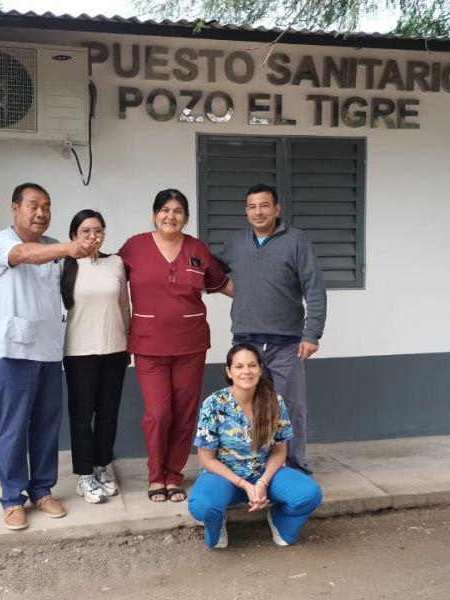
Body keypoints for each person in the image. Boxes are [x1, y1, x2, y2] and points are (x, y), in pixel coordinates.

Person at [0, 182, 95, 531]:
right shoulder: (0, 241)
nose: (41, 213)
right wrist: (68, 248)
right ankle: (12, 499)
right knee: (13, 428)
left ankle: (42, 490)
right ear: (15, 208)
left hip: (49, 350)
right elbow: (22, 255)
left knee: (47, 426)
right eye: (33, 205)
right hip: (15, 351)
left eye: (46, 206)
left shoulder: (53, 247)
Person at [117, 189, 228, 503]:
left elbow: (221, 283)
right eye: (164, 210)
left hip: (190, 345)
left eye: (178, 211)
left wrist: (265, 293)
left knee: (184, 413)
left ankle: (173, 475)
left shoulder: (197, 249)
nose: (171, 216)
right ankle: (156, 475)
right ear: (155, 215)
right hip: (149, 345)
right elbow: (105, 276)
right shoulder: (134, 247)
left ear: (186, 218)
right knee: (158, 413)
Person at [216, 183, 327, 474]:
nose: (258, 212)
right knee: (248, 405)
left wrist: (312, 333)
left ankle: (294, 468)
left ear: (277, 209)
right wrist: (234, 290)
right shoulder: (236, 243)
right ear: (246, 211)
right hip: (246, 342)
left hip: (287, 343)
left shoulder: (296, 240)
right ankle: (253, 464)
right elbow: (212, 272)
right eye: (252, 207)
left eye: (264, 205)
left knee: (290, 407)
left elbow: (314, 288)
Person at [187, 343, 323, 548]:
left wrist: (262, 483)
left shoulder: (274, 401)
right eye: (239, 366)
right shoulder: (213, 404)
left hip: (264, 475)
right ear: (229, 372)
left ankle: (279, 518)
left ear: (260, 369)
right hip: (223, 478)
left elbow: (279, 451)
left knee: (309, 494)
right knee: (202, 506)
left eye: (252, 365)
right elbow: (207, 459)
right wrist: (243, 484)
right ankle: (216, 520)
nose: (246, 371)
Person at [61, 210, 130, 504]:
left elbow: (124, 306)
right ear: (74, 235)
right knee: (81, 416)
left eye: (98, 230)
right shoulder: (64, 264)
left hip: (114, 349)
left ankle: (102, 466)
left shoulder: (116, 263)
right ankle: (84, 474)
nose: (93, 236)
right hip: (79, 352)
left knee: (108, 414)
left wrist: (127, 341)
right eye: (86, 231)